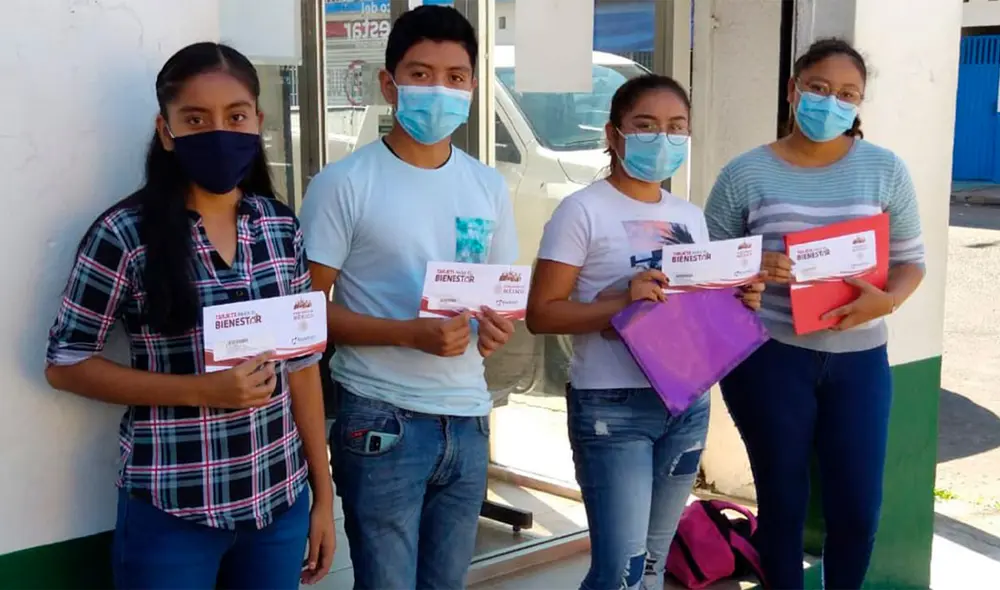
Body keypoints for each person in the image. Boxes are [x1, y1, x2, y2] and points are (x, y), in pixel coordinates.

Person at [44, 42, 335, 589]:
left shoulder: (279, 227)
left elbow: (303, 367)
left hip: (279, 500)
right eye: (195, 119)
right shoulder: (124, 236)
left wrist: (322, 495)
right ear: (166, 130)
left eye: (235, 116)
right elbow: (65, 362)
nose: (218, 132)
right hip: (174, 508)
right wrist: (202, 391)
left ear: (257, 122)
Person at [298, 6, 517, 589]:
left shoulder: (488, 185)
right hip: (379, 418)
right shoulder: (343, 184)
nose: (440, 89)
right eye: (421, 74)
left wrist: (496, 329)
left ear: (473, 85)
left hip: (469, 417)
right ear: (389, 84)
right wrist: (405, 332)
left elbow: (498, 299)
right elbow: (303, 314)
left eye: (456, 76)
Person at [525, 74, 765, 590]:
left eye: (676, 127)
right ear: (614, 135)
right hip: (612, 408)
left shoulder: (689, 217)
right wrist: (620, 303)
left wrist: (737, 301)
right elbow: (542, 314)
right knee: (621, 570)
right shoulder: (581, 210)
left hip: (685, 401)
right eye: (647, 126)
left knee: (654, 565)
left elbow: (697, 308)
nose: (664, 138)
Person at [704, 38, 926, 589]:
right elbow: (707, 271)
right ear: (793, 90)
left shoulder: (884, 169)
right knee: (781, 506)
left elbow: (911, 262)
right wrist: (754, 270)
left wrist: (888, 300)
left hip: (860, 363)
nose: (832, 103)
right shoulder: (744, 174)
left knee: (856, 509)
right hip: (770, 360)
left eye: (848, 94)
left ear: (860, 105)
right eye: (819, 89)